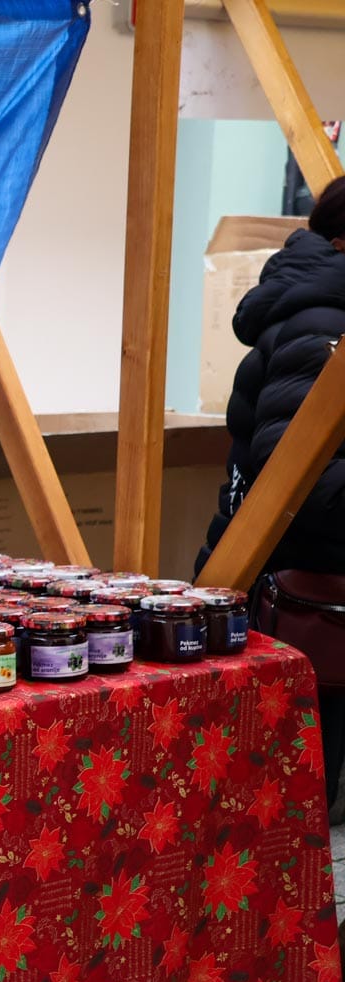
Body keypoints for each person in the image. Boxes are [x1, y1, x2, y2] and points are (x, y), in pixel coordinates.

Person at [198, 174, 345, 816]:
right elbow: (298, 474)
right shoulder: (324, 325)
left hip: (296, 595)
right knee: (296, 812)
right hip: (307, 602)